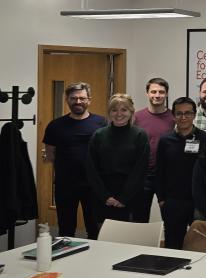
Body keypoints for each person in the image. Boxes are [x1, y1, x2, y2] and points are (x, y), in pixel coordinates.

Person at [43, 82, 105, 239]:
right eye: (74, 98)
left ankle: (94, 262)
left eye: (82, 98)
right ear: (67, 99)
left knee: (95, 227)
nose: (78, 102)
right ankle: (65, 261)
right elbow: (50, 155)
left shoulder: (102, 123)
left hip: (94, 185)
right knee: (66, 228)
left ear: (89, 100)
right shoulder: (55, 126)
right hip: (65, 185)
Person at [85, 94, 149, 226]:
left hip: (131, 198)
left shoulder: (140, 135)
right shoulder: (99, 135)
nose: (119, 114)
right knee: (104, 240)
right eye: (114, 110)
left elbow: (140, 170)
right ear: (109, 113)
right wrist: (105, 197)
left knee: (129, 241)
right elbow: (91, 169)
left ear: (131, 112)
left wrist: (123, 198)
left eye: (124, 110)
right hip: (103, 198)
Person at [155, 97, 206, 249]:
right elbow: (159, 171)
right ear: (173, 115)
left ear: (194, 114)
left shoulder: (205, 139)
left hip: (199, 202)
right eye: (179, 113)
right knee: (173, 244)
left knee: (200, 244)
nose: (183, 117)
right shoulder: (165, 140)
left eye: (187, 113)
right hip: (172, 202)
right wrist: (161, 199)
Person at [132, 77, 174, 223]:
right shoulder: (136, 117)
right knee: (139, 219)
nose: (157, 95)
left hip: (167, 176)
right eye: (153, 91)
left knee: (170, 220)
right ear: (147, 93)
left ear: (167, 94)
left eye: (161, 92)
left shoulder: (174, 117)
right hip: (143, 176)